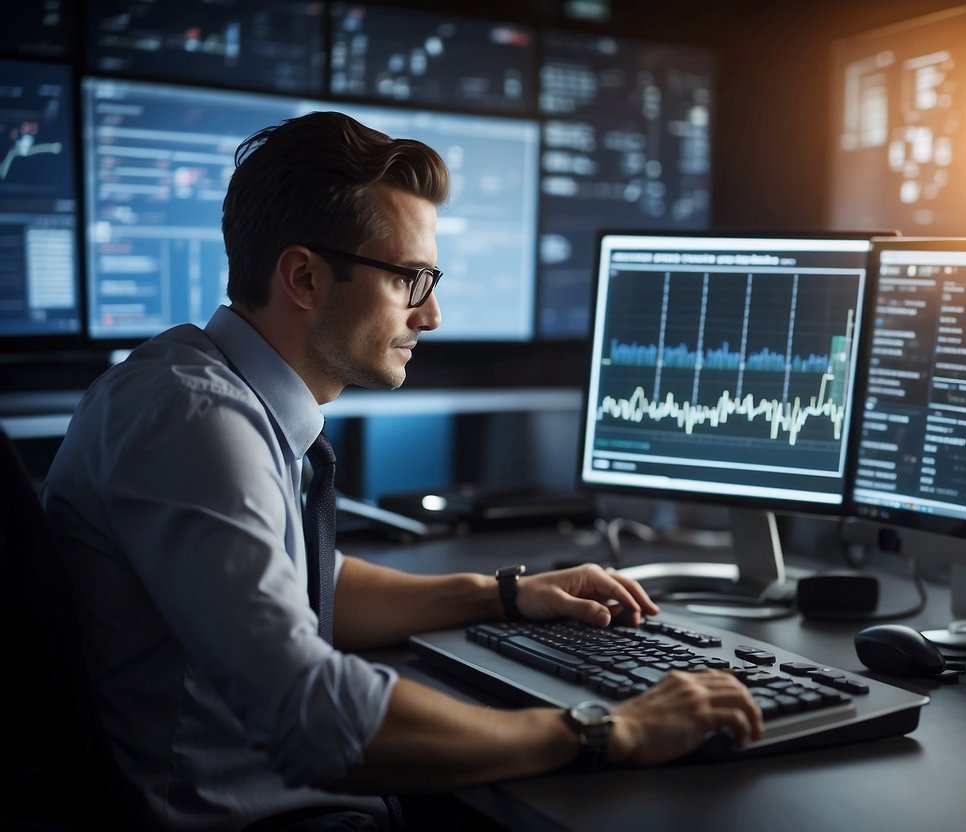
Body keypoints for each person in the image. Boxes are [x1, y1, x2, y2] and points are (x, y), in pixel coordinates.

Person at [41, 111, 762, 831]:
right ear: (304, 277)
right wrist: (608, 729)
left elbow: (309, 586)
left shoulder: (208, 392)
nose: (433, 315)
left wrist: (503, 595)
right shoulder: (195, 421)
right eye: (411, 280)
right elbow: (314, 716)